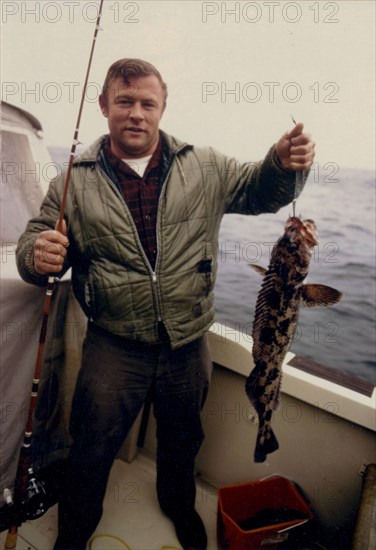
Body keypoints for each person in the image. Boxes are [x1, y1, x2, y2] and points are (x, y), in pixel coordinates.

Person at [16, 58, 315, 550]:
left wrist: (282, 162)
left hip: (188, 344)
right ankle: (75, 528)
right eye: (125, 101)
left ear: (162, 107)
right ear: (104, 106)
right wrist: (37, 255)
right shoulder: (73, 181)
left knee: (183, 442)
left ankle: (179, 506)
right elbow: (35, 244)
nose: (136, 113)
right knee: (91, 446)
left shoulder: (205, 165)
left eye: (147, 103)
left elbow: (260, 189)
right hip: (114, 346)